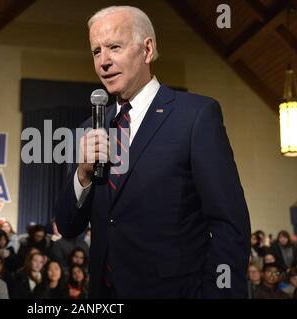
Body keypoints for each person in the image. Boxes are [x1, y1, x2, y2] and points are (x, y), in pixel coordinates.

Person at [55, 5, 251, 298]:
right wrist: (82, 175)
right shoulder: (91, 128)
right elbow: (68, 227)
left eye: (114, 47)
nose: (103, 62)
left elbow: (228, 225)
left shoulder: (196, 116)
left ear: (147, 50)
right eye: (96, 51)